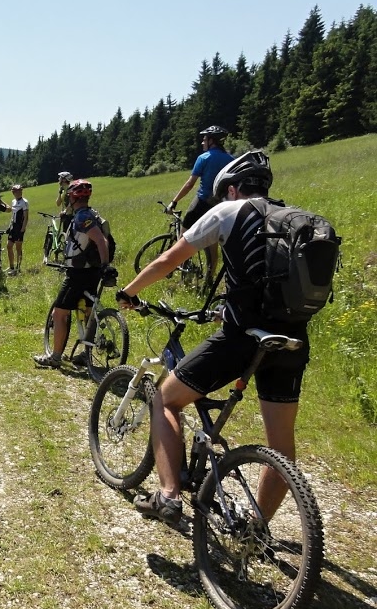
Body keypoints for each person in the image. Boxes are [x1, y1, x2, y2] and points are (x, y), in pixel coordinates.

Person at [116, 150, 308, 524]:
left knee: (165, 400)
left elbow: (167, 261)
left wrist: (129, 292)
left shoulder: (228, 212)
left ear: (232, 189)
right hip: (291, 339)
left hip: (242, 338)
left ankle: (168, 496)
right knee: (281, 445)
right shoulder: (290, 219)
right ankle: (254, 530)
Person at [34, 179, 115, 369]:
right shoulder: (91, 213)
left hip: (79, 273)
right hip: (92, 271)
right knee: (88, 310)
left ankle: (55, 357)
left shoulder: (82, 217)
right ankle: (87, 353)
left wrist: (105, 264)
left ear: (72, 198)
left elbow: (101, 240)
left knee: (59, 313)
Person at [166, 126, 234, 274]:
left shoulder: (204, 158)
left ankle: (181, 269)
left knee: (183, 238)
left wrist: (174, 201)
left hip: (202, 203)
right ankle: (209, 279)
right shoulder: (231, 160)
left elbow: (189, 184)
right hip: (220, 205)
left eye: (204, 139)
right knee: (212, 245)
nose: (202, 143)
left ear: (211, 141)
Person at [6, 184, 29, 275]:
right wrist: (9, 226)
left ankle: (18, 268)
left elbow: (26, 217)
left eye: (20, 191)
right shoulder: (13, 202)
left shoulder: (24, 202)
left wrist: (23, 229)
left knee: (18, 248)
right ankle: (11, 266)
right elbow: (13, 215)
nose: (19, 192)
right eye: (17, 191)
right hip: (13, 227)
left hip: (19, 227)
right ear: (13, 192)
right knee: (9, 246)